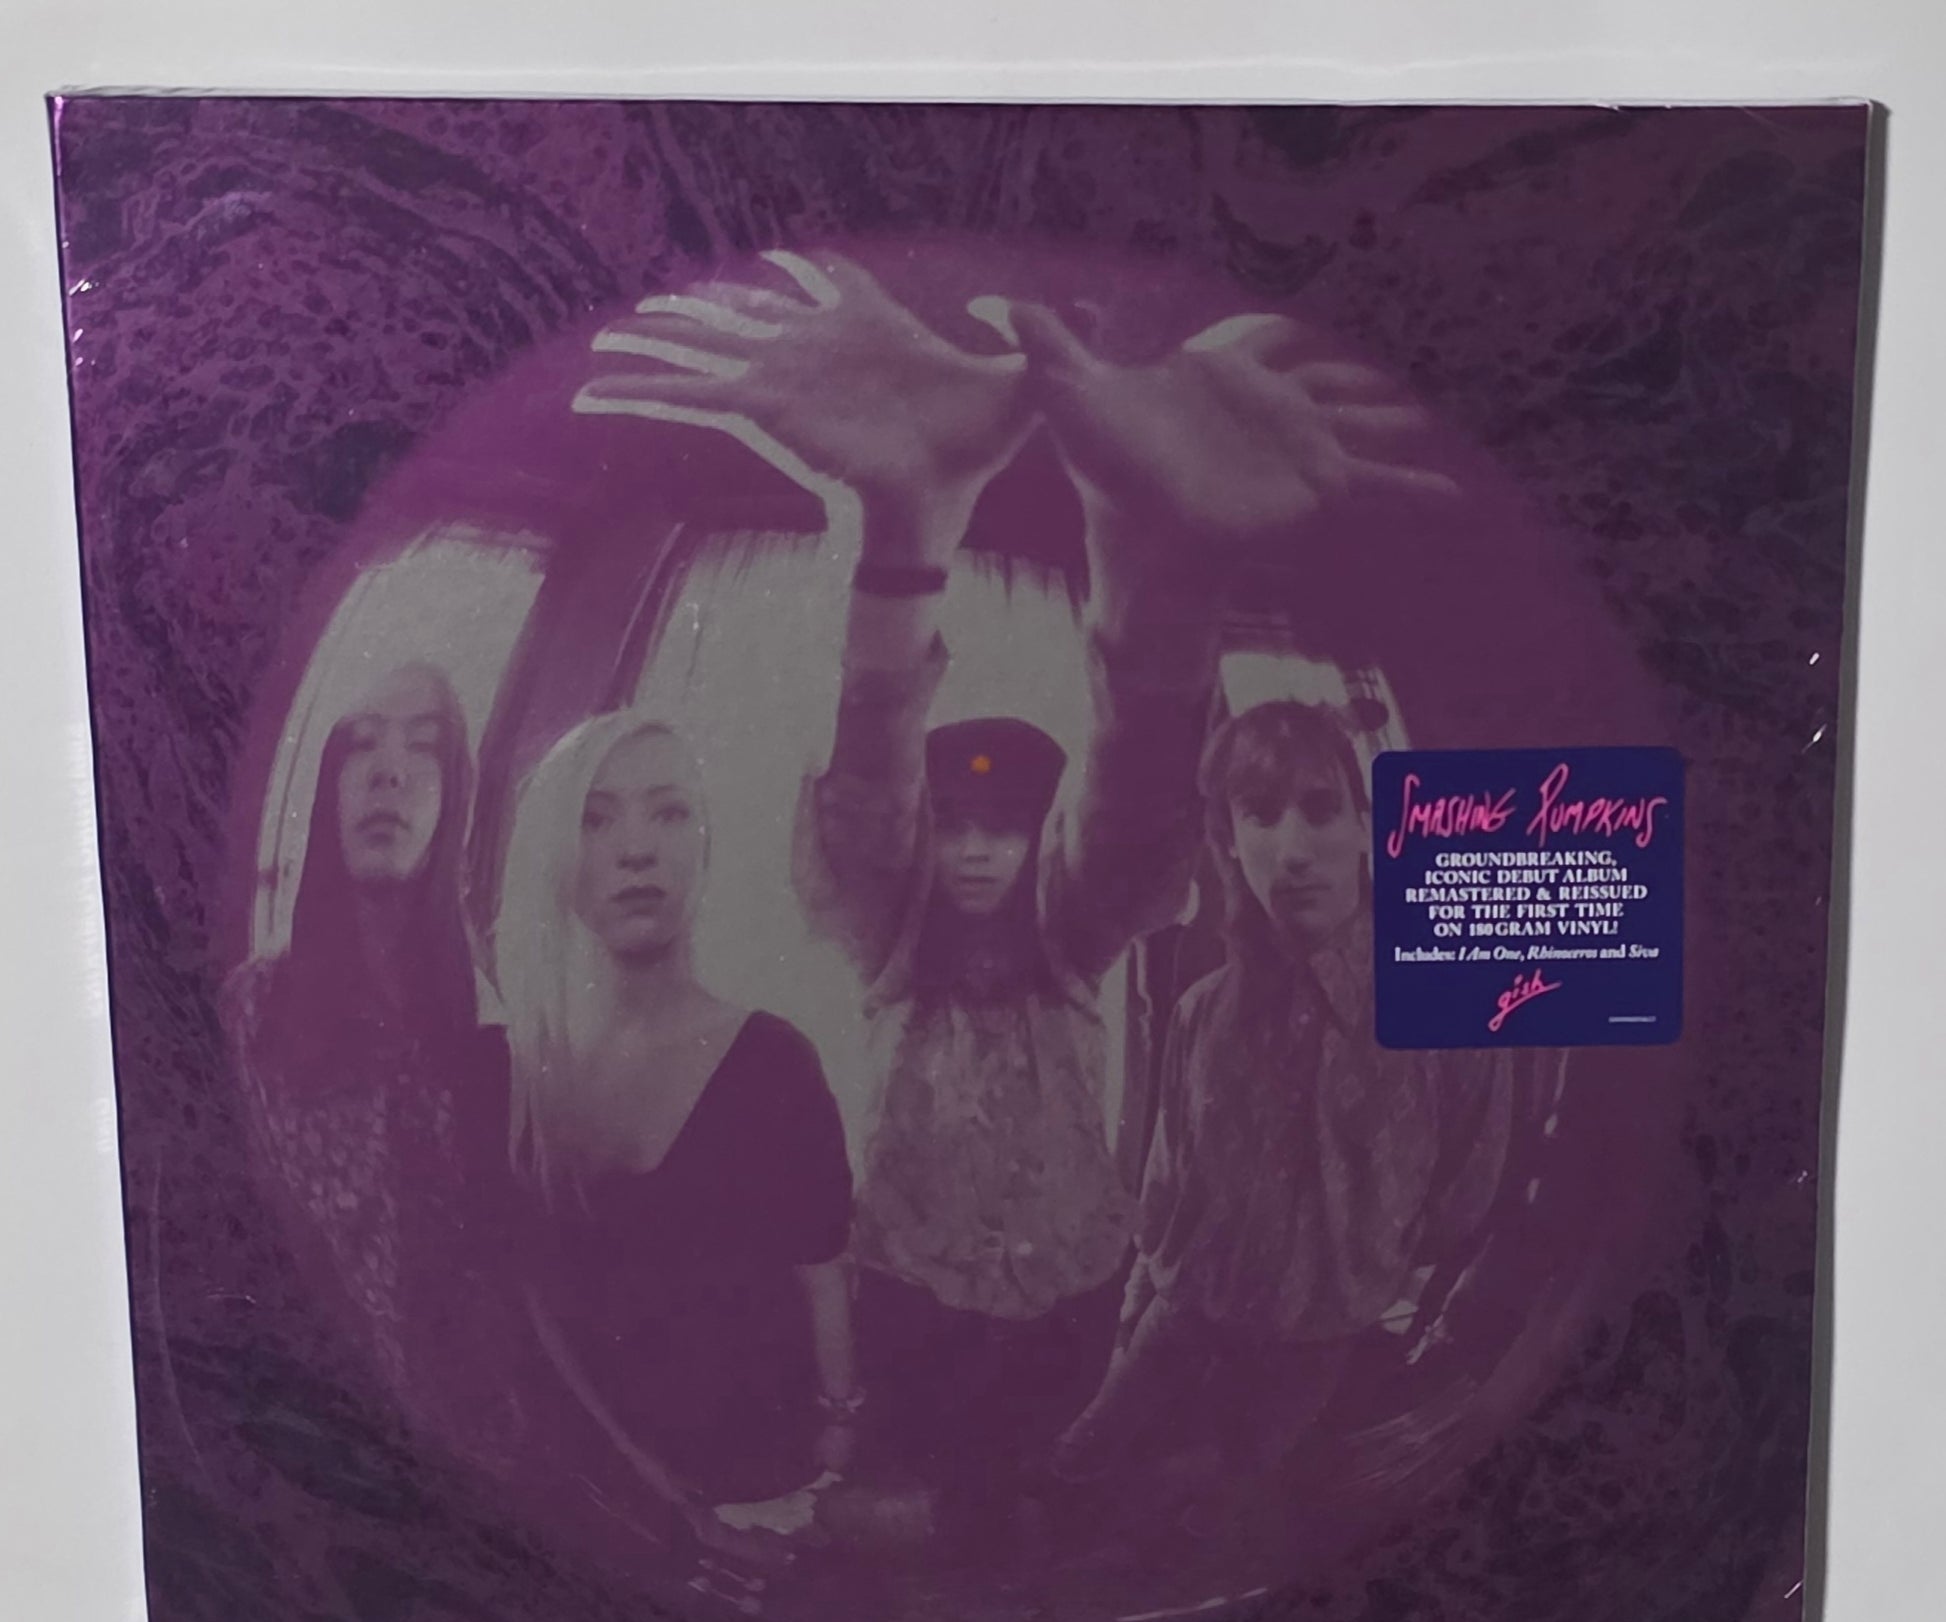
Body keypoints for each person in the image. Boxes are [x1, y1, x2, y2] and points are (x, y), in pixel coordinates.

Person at [574, 253, 1457, 1550]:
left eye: (1006, 823)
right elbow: (866, 801)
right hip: (911, 1284)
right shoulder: (888, 935)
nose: (980, 847)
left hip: (1074, 1285)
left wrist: (1164, 572)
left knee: (1036, 1502)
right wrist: (899, 535)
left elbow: (1132, 818)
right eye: (960, 822)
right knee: (933, 1514)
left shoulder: (1067, 938)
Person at [1051, 698, 1520, 1521]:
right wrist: (1132, 1327)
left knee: (1221, 1502)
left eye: (1321, 809)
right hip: (1180, 1313)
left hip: (1315, 1339)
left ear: (1365, 828)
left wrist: (1358, 1262)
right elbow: (1165, 1189)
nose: (1295, 850)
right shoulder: (1200, 1011)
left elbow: (1464, 1196)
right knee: (1078, 1465)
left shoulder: (1449, 1000)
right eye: (1262, 815)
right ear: (1230, 841)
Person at [493, 710, 859, 1551]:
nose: (637, 850)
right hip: (601, 1503)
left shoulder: (773, 1060)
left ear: (706, 847)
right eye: (596, 819)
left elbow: (824, 1279)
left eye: (668, 812)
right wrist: (649, 1498)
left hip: (763, 1494)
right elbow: (538, 1309)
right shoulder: (521, 1074)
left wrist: (833, 1461)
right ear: (556, 855)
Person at [223, 662, 514, 1455]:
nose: (389, 771)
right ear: (327, 787)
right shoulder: (253, 1012)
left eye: (422, 748)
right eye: (361, 744)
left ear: (455, 798)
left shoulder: (496, 1032)